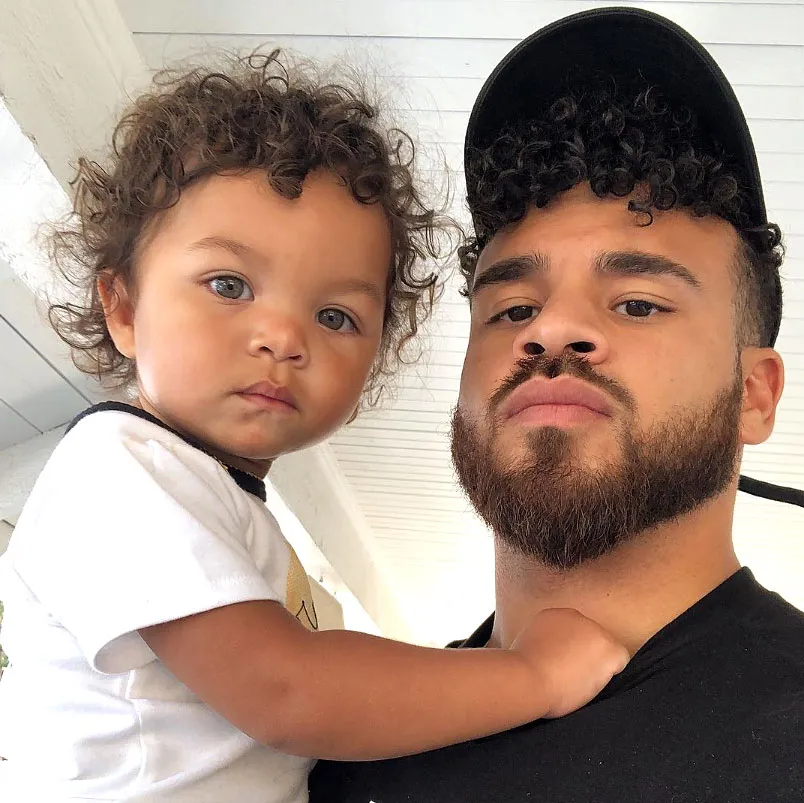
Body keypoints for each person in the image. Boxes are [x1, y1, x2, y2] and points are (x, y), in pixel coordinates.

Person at [0, 51, 629, 803]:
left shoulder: (207, 497)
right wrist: (533, 675)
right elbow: (288, 692)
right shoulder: (117, 471)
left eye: (334, 316)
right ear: (125, 308)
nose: (283, 337)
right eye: (229, 284)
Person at [309, 8, 804, 802]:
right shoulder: (337, 753)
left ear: (754, 394)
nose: (550, 328)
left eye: (637, 302)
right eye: (512, 309)